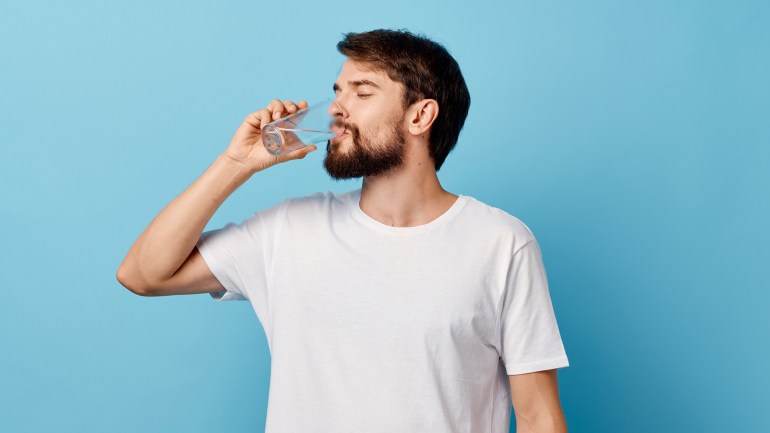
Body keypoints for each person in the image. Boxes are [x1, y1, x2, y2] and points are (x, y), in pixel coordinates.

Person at [117, 28, 570, 433]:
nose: (336, 108)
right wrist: (235, 166)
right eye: (337, 91)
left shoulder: (500, 243)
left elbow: (539, 417)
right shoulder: (288, 229)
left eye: (362, 92)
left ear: (420, 116)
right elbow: (143, 274)